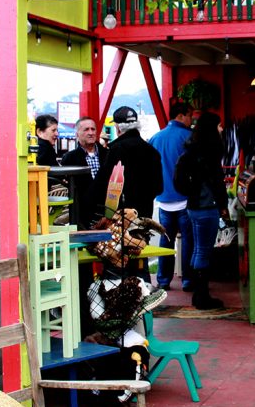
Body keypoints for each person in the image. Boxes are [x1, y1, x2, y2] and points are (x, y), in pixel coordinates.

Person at [173, 112, 229, 310]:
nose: (221, 129)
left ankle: (199, 293)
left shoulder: (189, 153)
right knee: (204, 250)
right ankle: (202, 296)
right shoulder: (211, 154)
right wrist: (223, 206)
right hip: (207, 207)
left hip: (194, 206)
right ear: (211, 129)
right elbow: (218, 184)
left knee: (198, 249)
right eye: (219, 126)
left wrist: (191, 192)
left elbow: (178, 182)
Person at [148, 102, 194, 291]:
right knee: (188, 241)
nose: (191, 120)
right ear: (181, 116)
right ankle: (188, 280)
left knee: (165, 239)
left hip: (163, 197)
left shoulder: (155, 138)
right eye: (190, 116)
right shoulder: (189, 137)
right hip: (185, 197)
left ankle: (163, 280)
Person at [90, 105, 162, 221]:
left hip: (120, 217)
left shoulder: (116, 150)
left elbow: (103, 183)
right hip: (144, 215)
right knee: (141, 240)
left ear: (118, 128)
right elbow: (158, 188)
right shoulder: (152, 152)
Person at [60, 116, 109, 229]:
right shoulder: (69, 158)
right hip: (82, 214)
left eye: (93, 129)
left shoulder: (108, 154)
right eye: (86, 129)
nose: (91, 133)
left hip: (107, 211)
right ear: (77, 134)